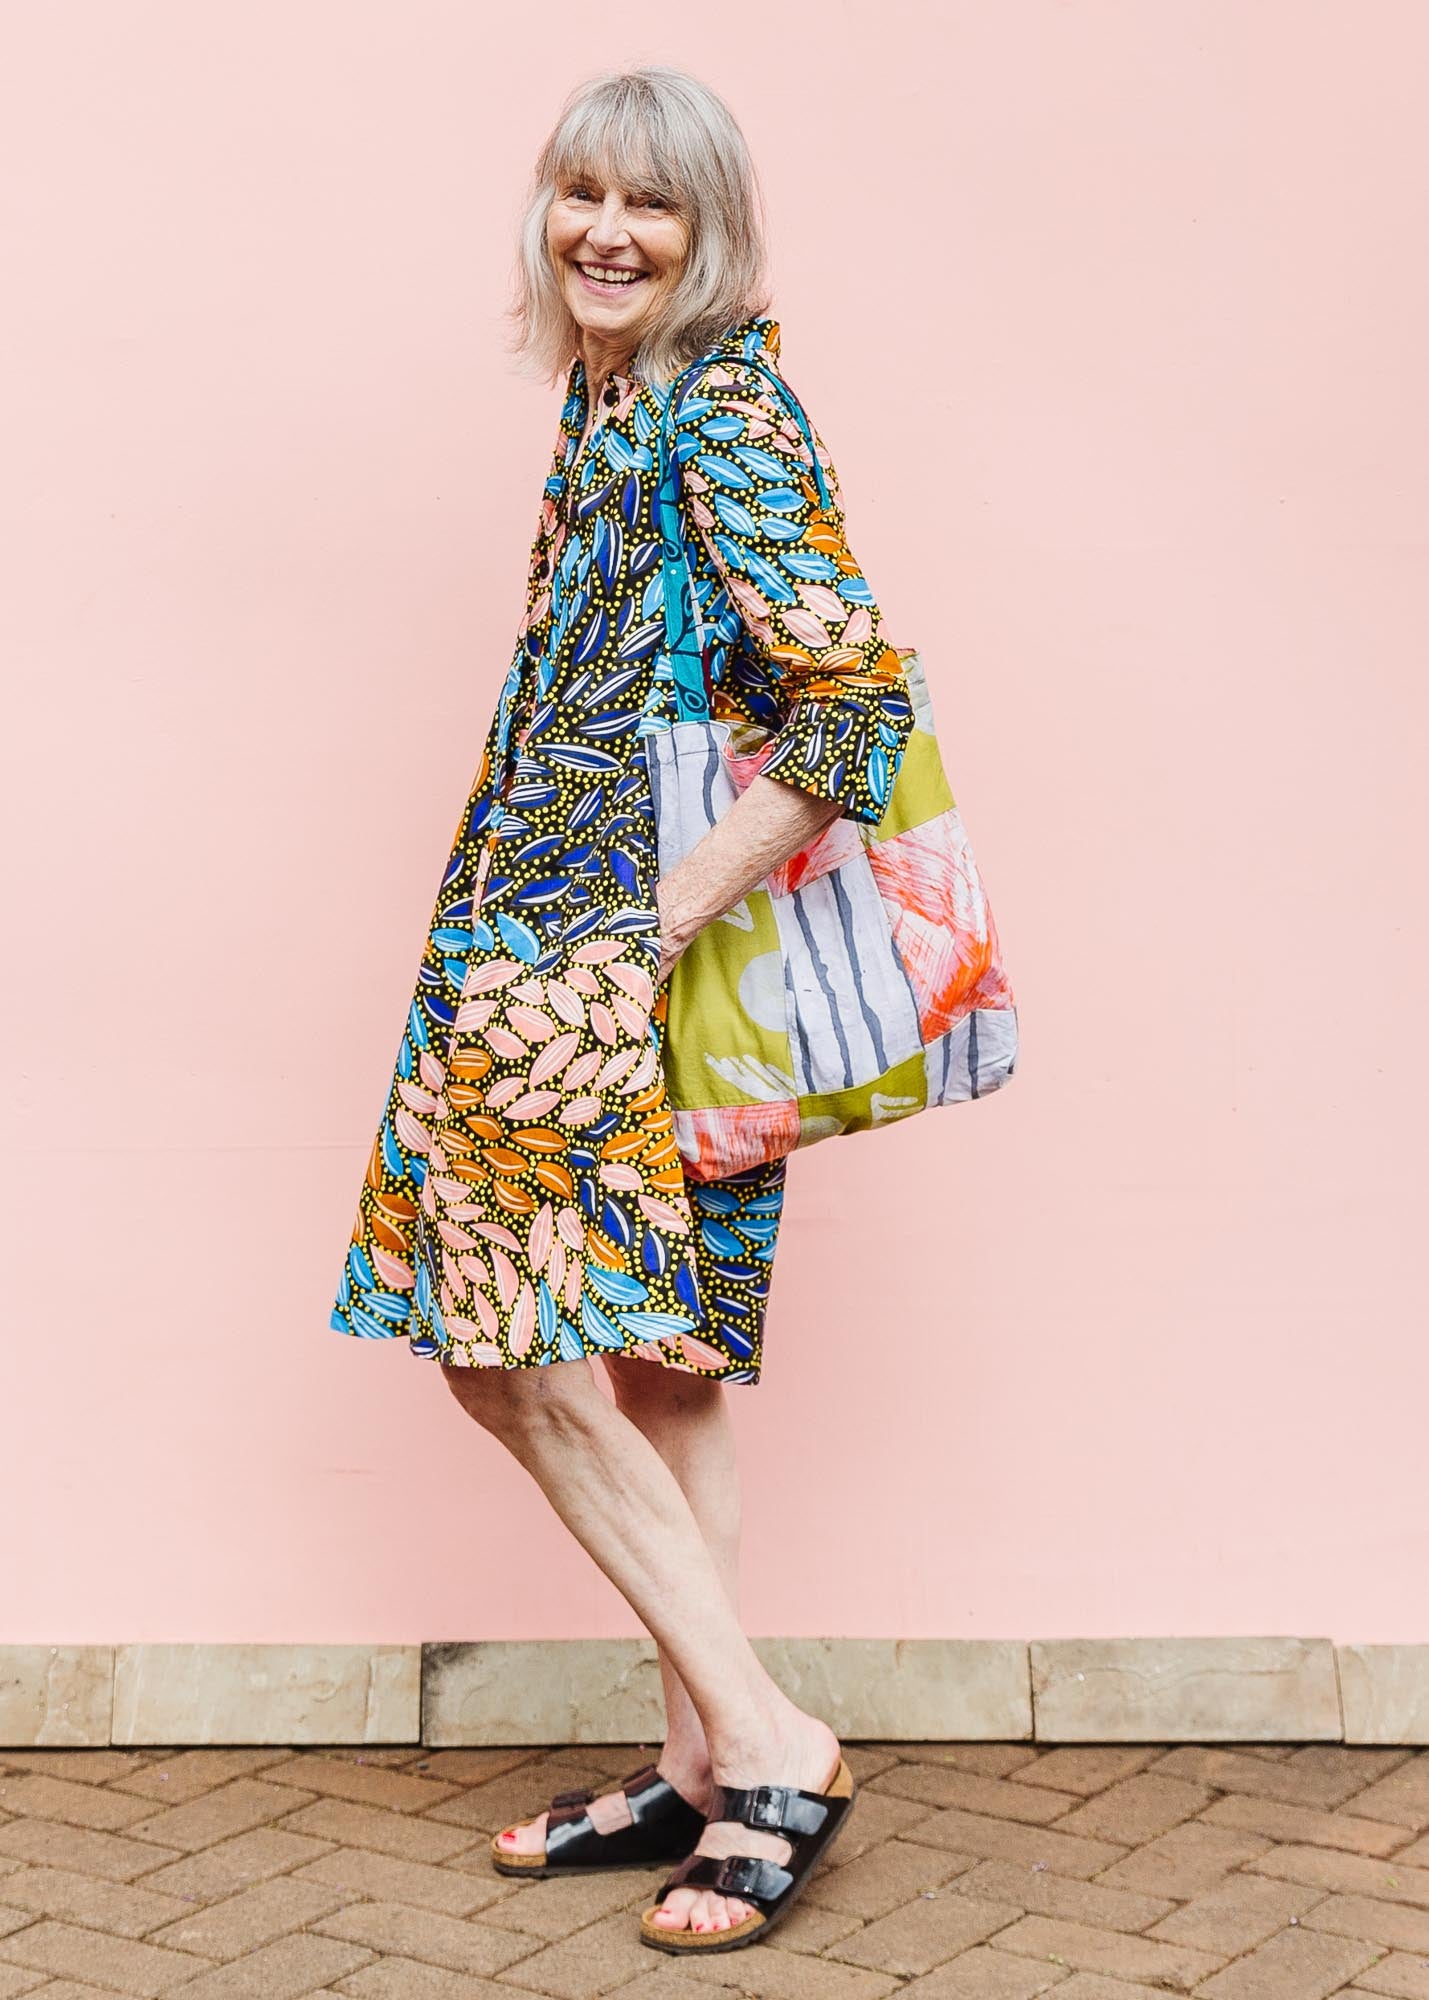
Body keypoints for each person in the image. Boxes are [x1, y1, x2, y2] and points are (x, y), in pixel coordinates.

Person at [331, 64, 913, 1955]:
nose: (604, 230)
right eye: (577, 190)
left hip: (598, 965)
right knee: (654, 1360)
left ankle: (769, 1742)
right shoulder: (611, 393)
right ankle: (696, 1764)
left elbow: (851, 708)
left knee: (503, 1352)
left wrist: (641, 930)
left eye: (647, 205)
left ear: (708, 230)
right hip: (542, 942)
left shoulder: (726, 411)